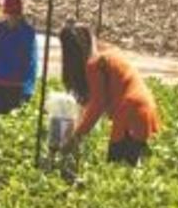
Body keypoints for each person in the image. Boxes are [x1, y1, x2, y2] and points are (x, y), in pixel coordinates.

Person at [59, 23, 161, 165]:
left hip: (130, 113)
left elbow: (97, 105)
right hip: (144, 108)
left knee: (117, 168)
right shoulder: (108, 52)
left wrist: (77, 137)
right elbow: (97, 99)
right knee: (128, 167)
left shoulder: (95, 63)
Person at [0, 0, 38, 115]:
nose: (12, 18)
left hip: (16, 86)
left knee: (13, 118)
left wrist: (28, 89)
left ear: (20, 15)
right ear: (5, 14)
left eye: (15, 14)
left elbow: (29, 61)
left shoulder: (27, 32)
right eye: (9, 14)